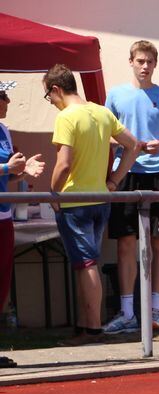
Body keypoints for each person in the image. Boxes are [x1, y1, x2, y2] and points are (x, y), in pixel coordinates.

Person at [45, 64, 142, 346]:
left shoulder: (67, 116)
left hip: (76, 201)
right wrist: (113, 181)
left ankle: (93, 329)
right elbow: (133, 145)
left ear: (56, 90)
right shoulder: (101, 111)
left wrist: (53, 194)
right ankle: (87, 325)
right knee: (87, 263)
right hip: (101, 199)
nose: (50, 102)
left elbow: (63, 165)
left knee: (86, 264)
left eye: (49, 97)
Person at [103, 41, 159, 335]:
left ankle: (155, 311)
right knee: (125, 242)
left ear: (155, 64)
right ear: (131, 62)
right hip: (125, 174)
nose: (145, 66)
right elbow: (105, 136)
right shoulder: (115, 95)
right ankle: (127, 313)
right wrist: (127, 145)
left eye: (149, 61)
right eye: (140, 61)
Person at [1, 82, 45, 368]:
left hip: (3, 217)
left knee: (2, 286)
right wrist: (7, 168)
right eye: (3, 95)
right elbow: (5, 170)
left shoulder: (4, 130)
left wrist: (22, 173)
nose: (7, 100)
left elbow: (8, 178)